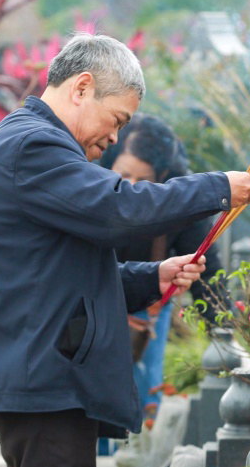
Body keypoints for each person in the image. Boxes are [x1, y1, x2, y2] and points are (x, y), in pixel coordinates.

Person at [0, 32, 250, 467]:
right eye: (116, 120)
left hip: (38, 378)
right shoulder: (34, 146)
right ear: (82, 88)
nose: (114, 139)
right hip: (43, 383)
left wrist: (154, 276)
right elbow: (119, 207)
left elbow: (60, 275)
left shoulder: (27, 144)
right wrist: (217, 186)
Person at [98, 114, 229, 412]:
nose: (129, 188)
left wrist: (223, 334)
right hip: (96, 293)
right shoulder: (89, 188)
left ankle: (140, 451)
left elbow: (207, 269)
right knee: (95, 387)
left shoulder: (183, 203)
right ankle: (100, 454)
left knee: (145, 384)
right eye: (123, 176)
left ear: (163, 178)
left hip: (150, 307)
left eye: (142, 181)